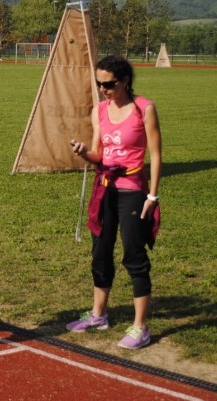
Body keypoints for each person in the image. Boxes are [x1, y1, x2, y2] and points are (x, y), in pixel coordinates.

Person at [68, 55, 162, 350]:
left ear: (124, 81)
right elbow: (99, 153)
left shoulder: (144, 109)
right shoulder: (99, 111)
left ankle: (140, 327)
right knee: (100, 252)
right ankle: (99, 315)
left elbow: (156, 156)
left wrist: (152, 196)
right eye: (98, 84)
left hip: (133, 190)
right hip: (104, 189)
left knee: (134, 256)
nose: (102, 89)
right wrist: (85, 153)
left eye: (107, 84)